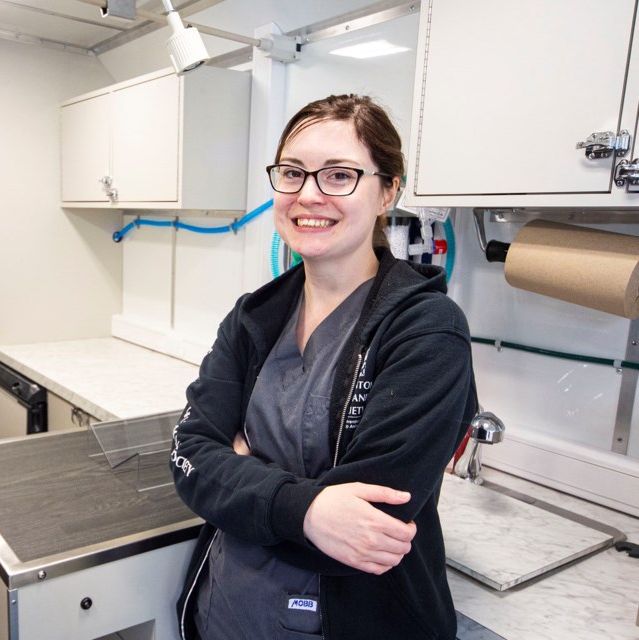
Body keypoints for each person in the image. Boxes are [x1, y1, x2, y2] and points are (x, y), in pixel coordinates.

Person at [169, 94, 477, 640]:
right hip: (225, 610)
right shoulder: (253, 317)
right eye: (292, 172)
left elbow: (369, 527)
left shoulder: (427, 331)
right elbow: (190, 454)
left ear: (388, 191)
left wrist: (244, 470)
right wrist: (308, 504)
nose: (308, 194)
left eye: (339, 175)